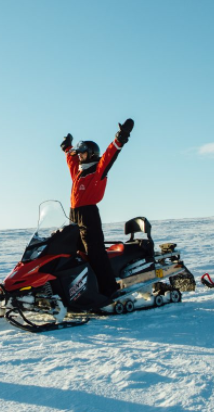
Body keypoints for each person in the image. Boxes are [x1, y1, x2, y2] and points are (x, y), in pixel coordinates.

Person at [60, 118, 134, 298]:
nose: (79, 156)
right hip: (74, 214)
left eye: (82, 154)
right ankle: (81, 290)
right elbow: (71, 161)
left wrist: (120, 138)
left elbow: (110, 156)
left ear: (91, 154)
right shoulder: (79, 171)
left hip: (88, 214)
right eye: (79, 154)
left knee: (94, 252)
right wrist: (67, 148)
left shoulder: (98, 170)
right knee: (74, 252)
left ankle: (109, 290)